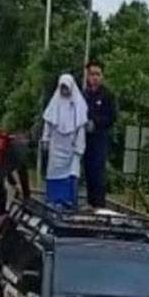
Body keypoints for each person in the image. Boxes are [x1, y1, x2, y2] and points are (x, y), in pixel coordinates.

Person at [41, 74, 88, 208]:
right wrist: (45, 139)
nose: (64, 90)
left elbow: (81, 128)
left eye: (66, 87)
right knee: (54, 173)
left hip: (71, 148)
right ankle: (53, 201)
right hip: (56, 147)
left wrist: (79, 148)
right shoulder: (54, 103)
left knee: (72, 175)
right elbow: (48, 123)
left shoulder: (79, 105)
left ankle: (69, 204)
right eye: (62, 87)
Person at [81, 59, 117, 208]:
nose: (95, 77)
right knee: (88, 171)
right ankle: (90, 203)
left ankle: (99, 205)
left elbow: (112, 117)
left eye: (97, 74)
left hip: (99, 138)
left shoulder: (108, 95)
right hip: (84, 139)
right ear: (87, 76)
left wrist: (95, 122)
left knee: (98, 172)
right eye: (92, 74)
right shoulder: (84, 95)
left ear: (102, 76)